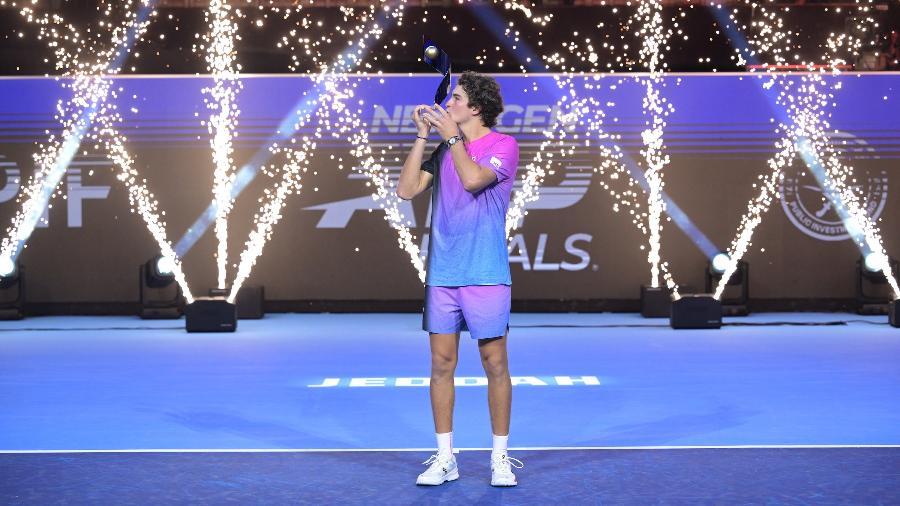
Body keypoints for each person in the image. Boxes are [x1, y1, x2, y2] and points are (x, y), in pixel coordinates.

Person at [396, 71, 522, 487]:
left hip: (485, 272)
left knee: (495, 363)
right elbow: (406, 190)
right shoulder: (442, 149)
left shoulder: (503, 145)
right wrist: (421, 137)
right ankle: (445, 458)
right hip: (444, 274)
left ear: (476, 108)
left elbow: (472, 180)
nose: (448, 103)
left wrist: (451, 138)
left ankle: (500, 458)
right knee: (441, 364)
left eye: (457, 98)